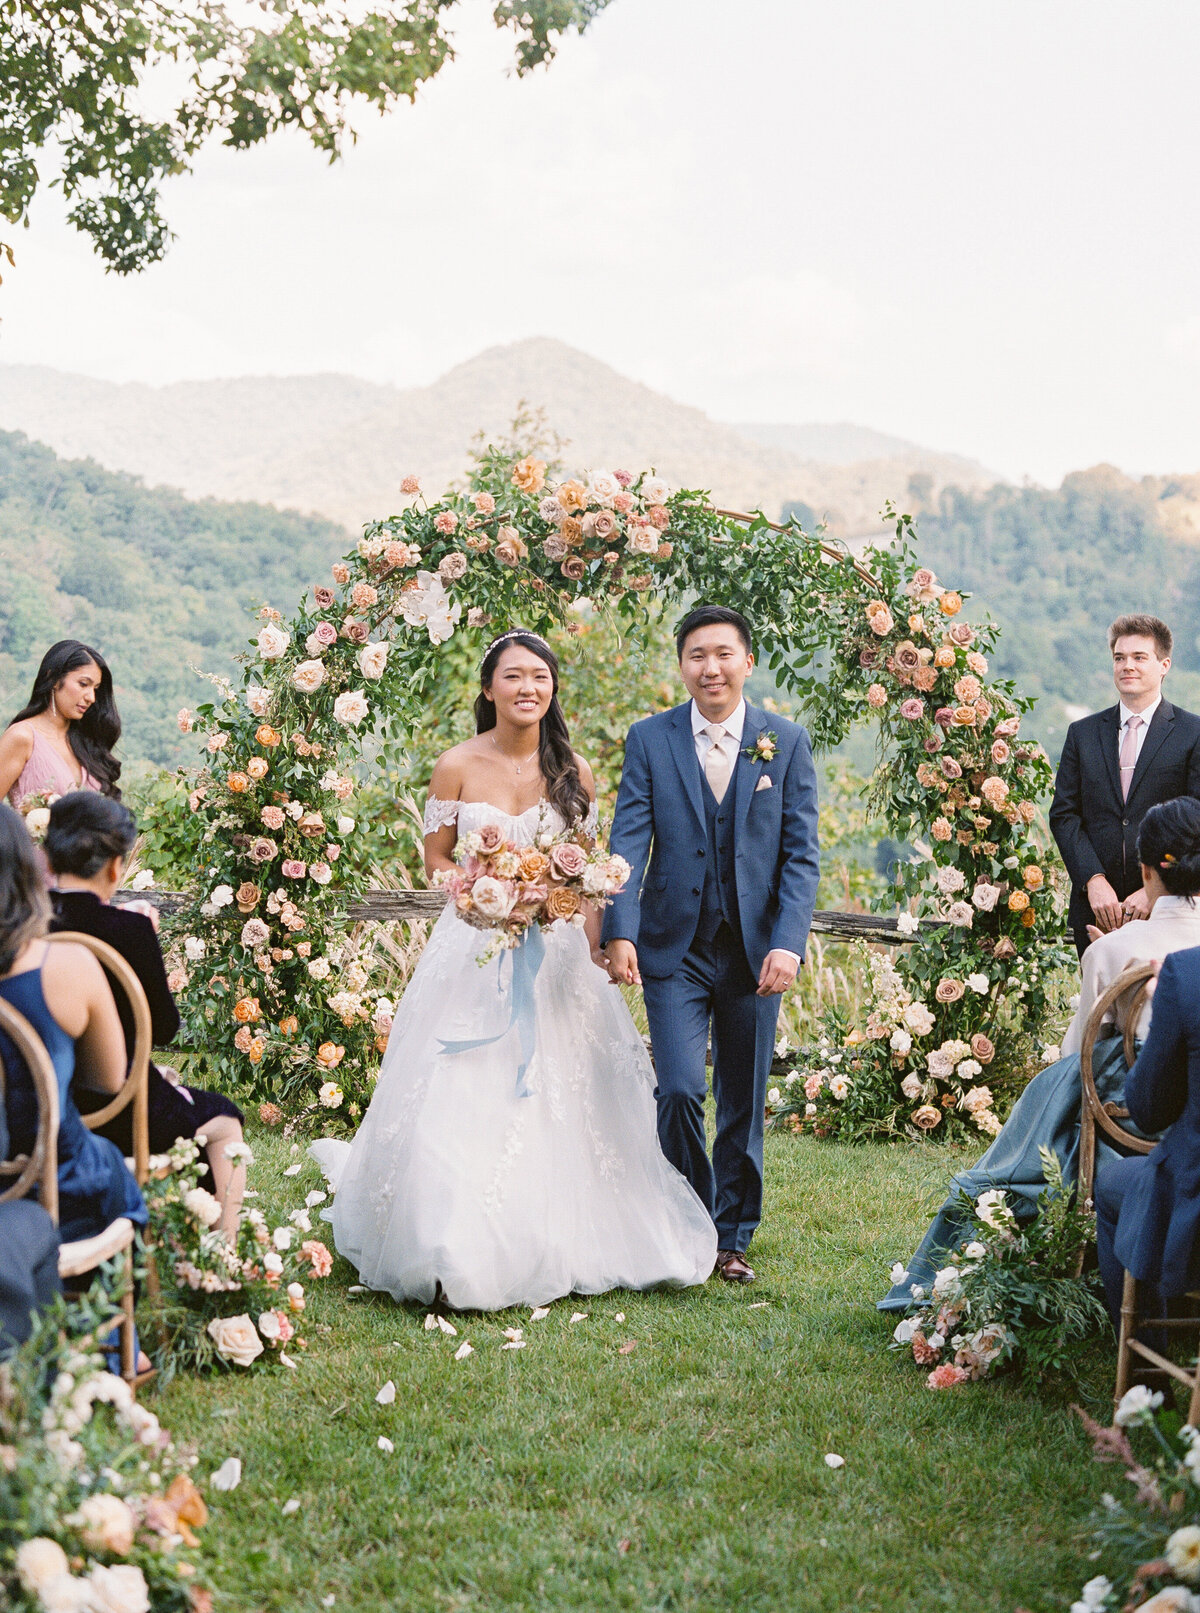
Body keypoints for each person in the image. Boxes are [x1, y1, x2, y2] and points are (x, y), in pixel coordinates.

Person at [310, 631, 717, 1311]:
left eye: (540, 677)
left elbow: (586, 873)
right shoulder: (456, 765)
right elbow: (436, 859)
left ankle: (567, 1228)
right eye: (513, 676)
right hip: (474, 946)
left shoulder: (575, 771)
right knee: (463, 1085)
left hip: (557, 954)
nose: (528, 688)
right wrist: (480, 891)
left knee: (567, 1092)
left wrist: (601, 944)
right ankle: (446, 1237)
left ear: (552, 689)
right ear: (489, 686)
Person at [880, 796, 1200, 1313]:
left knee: (1058, 1089)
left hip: (1133, 1120)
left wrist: (1109, 954)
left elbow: (1081, 1051)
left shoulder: (1114, 949)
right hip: (1190, 1113)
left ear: (1145, 870)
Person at [601, 605, 821, 1285]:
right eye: (697, 654)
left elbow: (801, 856)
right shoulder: (650, 739)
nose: (711, 667)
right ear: (682, 665)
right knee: (677, 1090)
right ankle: (686, 1217)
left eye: (724, 653)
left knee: (743, 1098)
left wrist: (788, 943)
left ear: (747, 662)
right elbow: (627, 842)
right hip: (675, 947)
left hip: (755, 953)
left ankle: (731, 1236)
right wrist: (620, 929)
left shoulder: (784, 742)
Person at [46, 791, 247, 1237]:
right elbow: (165, 1028)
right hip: (117, 1109)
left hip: (45, 1103)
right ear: (117, 865)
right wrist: (145, 938)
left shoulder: (23, 921)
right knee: (224, 1117)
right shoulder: (128, 928)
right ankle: (222, 1256)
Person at [0, 802, 146, 1247]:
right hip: (56, 1190)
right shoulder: (67, 966)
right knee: (112, 1177)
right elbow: (107, 1079)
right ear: (29, 869)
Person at [1050, 614, 1200, 958]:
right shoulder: (1082, 733)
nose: (1126, 666)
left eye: (1139, 657)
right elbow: (1064, 815)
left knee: (1160, 1006)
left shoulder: (1193, 733)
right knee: (1100, 1009)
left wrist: (1154, 891)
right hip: (1096, 911)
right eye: (1119, 658)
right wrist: (1093, 880)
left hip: (1167, 909)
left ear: (1164, 665)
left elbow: (1197, 822)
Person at [0, 639, 122, 810]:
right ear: (54, 679)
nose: (91, 698)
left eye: (95, 688)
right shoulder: (22, 737)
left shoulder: (86, 741)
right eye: (83, 684)